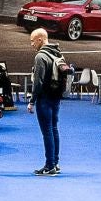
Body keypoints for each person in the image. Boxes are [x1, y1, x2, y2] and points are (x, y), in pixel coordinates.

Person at [25, 28, 67, 175]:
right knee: (54, 129)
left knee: (47, 132)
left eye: (32, 41)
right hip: (56, 98)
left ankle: (49, 166)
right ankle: (55, 162)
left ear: (40, 40)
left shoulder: (40, 57)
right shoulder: (57, 53)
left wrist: (31, 101)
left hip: (44, 99)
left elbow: (38, 82)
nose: (31, 44)